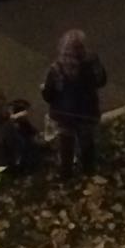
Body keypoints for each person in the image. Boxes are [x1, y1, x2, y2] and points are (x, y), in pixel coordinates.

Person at [41, 29, 107, 180]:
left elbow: (48, 95)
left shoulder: (56, 69)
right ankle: (89, 170)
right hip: (87, 112)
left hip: (64, 114)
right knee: (86, 142)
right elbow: (101, 81)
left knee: (66, 145)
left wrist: (44, 90)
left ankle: (66, 173)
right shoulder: (91, 62)